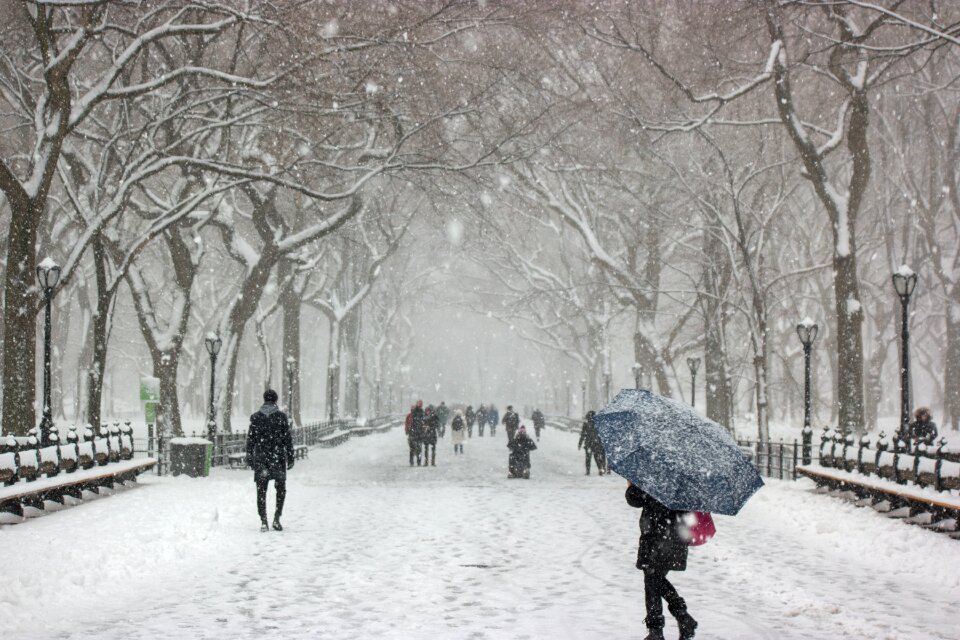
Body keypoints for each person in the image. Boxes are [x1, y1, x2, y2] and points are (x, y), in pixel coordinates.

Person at [625, 483, 697, 640]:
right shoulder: (684, 479)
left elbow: (634, 499)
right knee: (654, 580)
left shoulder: (655, 473)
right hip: (676, 534)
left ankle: (660, 630)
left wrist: (632, 486)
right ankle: (679, 620)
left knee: (652, 580)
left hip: (657, 536)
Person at [246, 389, 294, 532]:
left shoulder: (255, 418)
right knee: (281, 489)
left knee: (261, 491)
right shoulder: (281, 417)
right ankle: (277, 518)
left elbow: (251, 440)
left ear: (264, 399)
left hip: (261, 458)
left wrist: (249, 455)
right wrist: (290, 456)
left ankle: (263, 521)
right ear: (275, 400)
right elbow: (287, 439)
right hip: (277, 458)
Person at [578, 410, 607, 475]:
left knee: (588, 458)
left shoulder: (586, 423)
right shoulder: (598, 423)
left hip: (588, 443)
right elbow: (601, 434)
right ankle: (600, 469)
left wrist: (580, 443)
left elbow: (583, 434)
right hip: (596, 443)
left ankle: (588, 472)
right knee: (597, 457)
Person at [408, 400, 425, 466]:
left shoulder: (419, 412)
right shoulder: (416, 412)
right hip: (416, 432)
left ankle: (415, 461)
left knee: (416, 448)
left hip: (416, 432)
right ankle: (415, 461)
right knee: (416, 448)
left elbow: (422, 422)